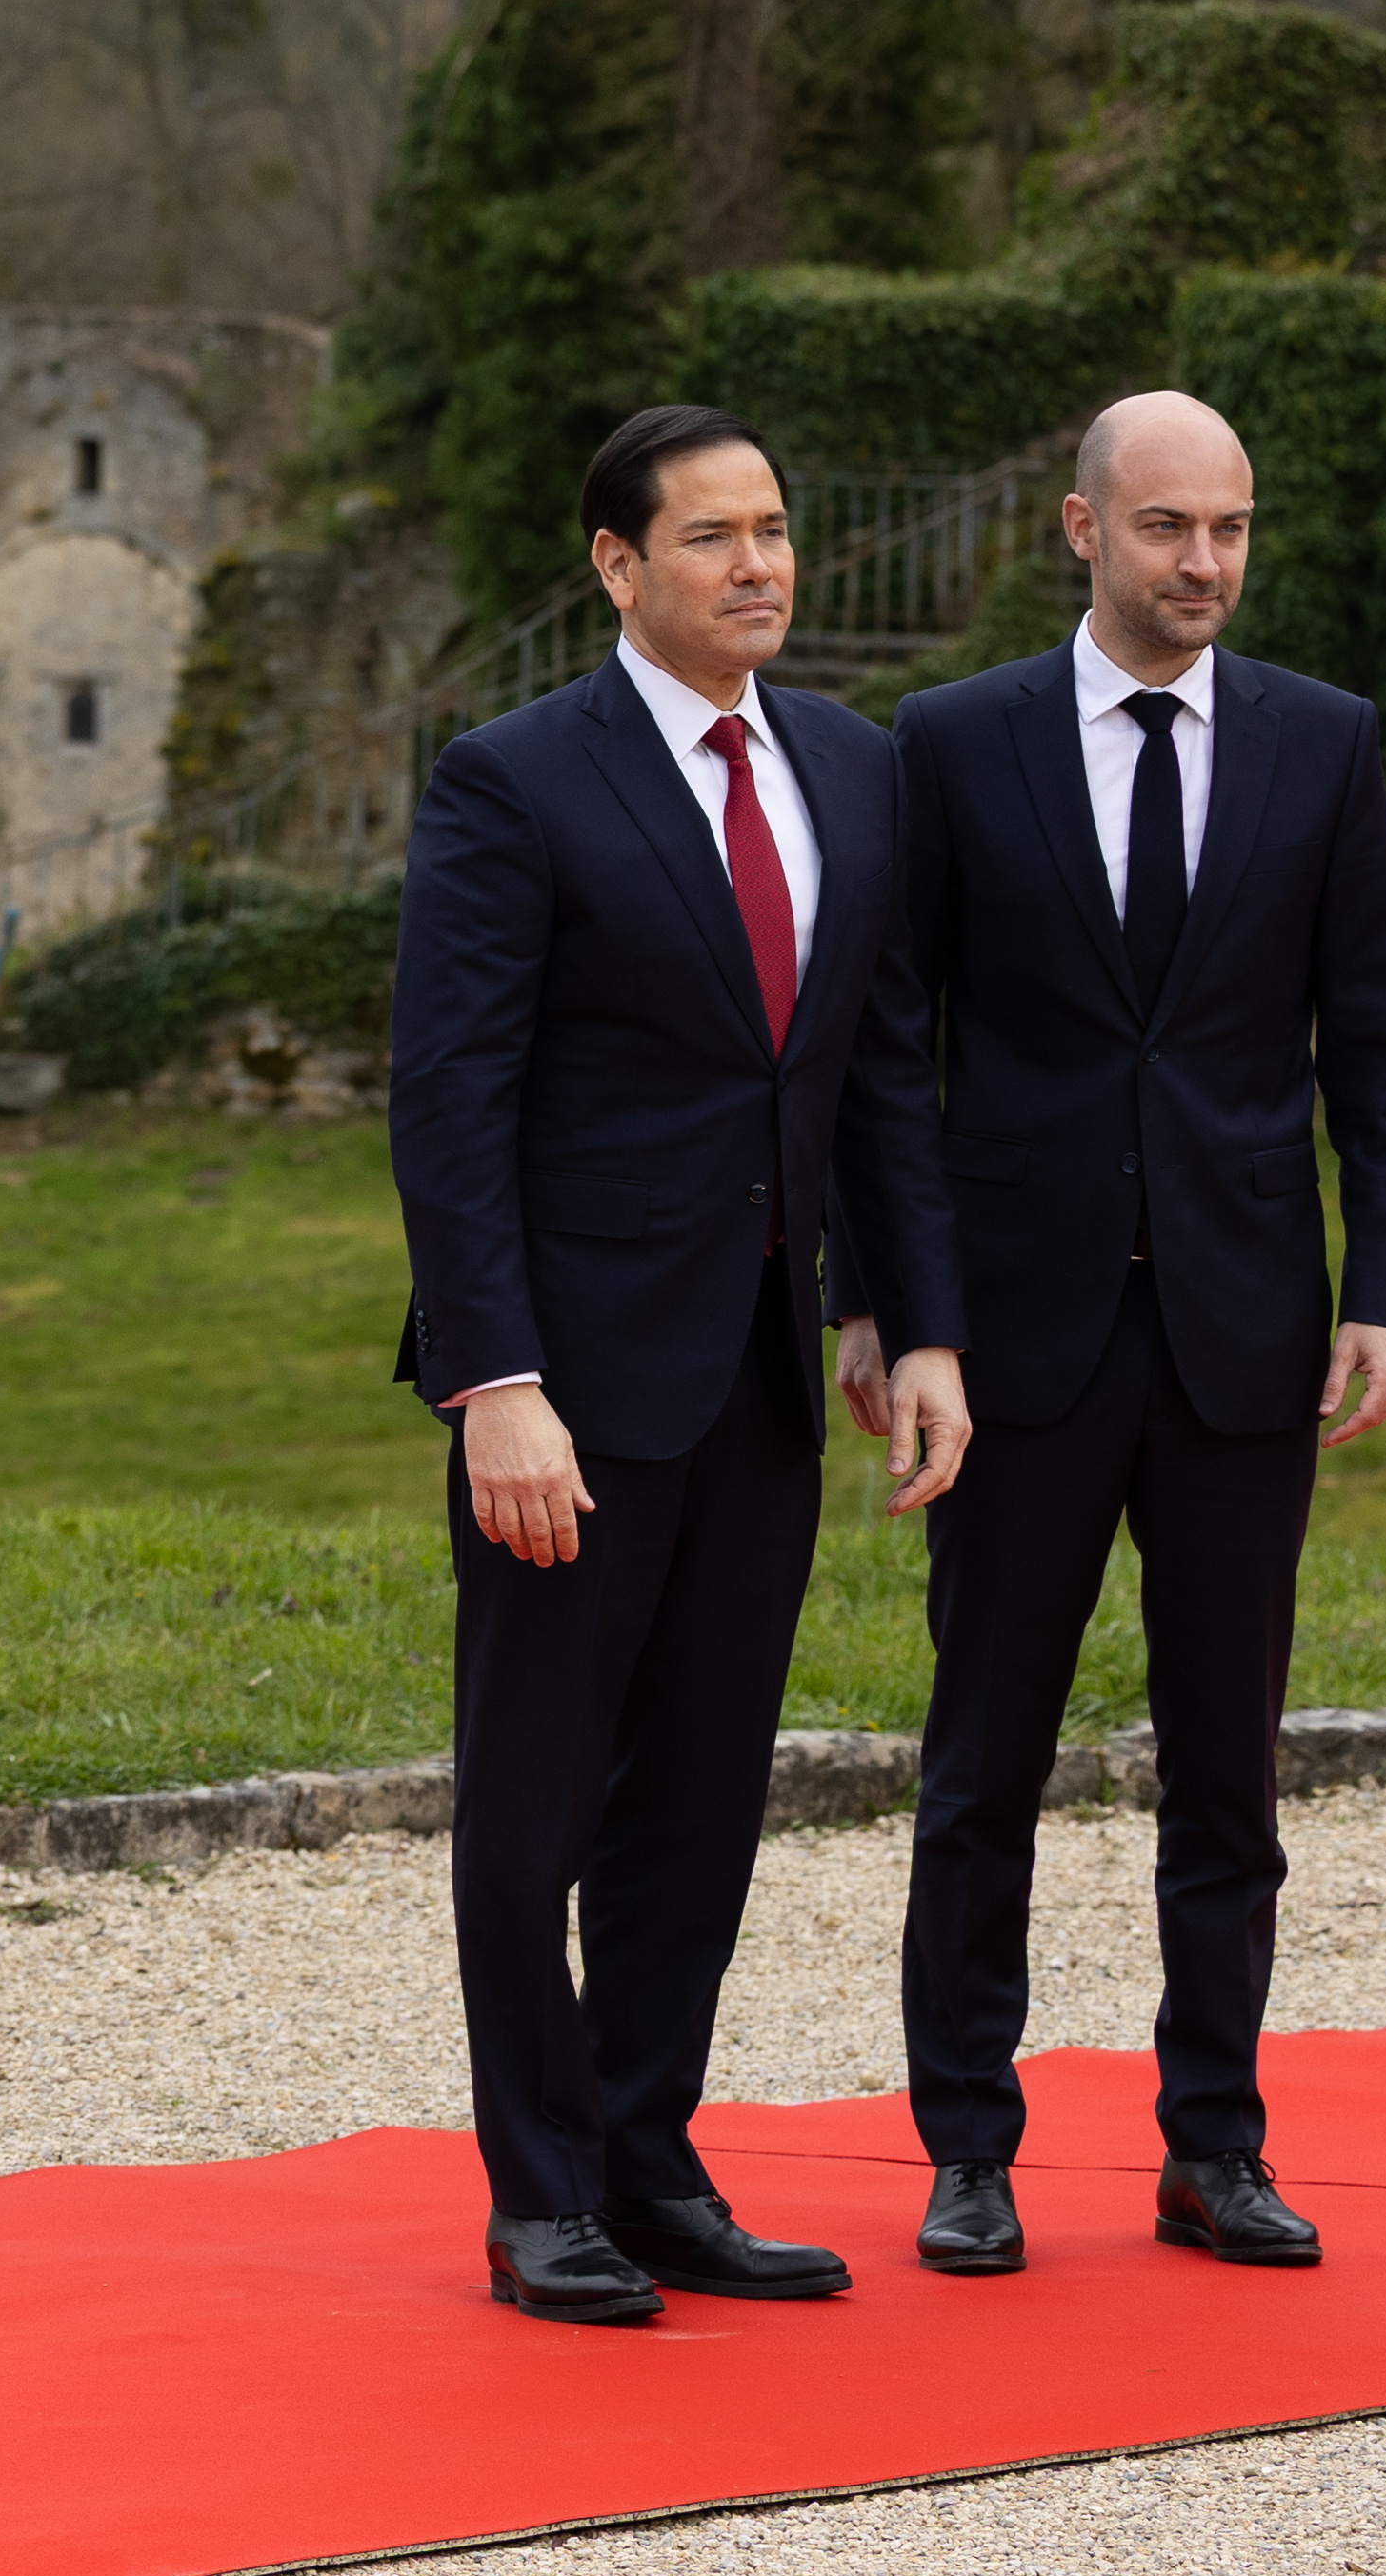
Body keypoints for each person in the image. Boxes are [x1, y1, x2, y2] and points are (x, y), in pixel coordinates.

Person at [385, 403, 971, 2326]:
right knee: (536, 1802)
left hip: (765, 1379)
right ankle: (538, 2193)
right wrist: (494, 1380)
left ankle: (648, 2164)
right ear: (619, 565)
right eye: (712, 535)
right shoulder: (514, 778)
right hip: (567, 1388)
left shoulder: (855, 769)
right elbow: (449, 1102)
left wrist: (910, 1316)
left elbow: (873, 1074)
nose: (759, 564)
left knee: (702, 1798)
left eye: (774, 529)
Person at [839, 389, 1386, 2278]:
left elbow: (1378, 1053)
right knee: (982, 1766)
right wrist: (884, 1301)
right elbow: (886, 1047)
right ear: (1082, 529)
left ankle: (1215, 2146)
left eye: (1230, 528)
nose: (1204, 561)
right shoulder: (954, 742)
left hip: (1245, 1332)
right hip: (1012, 1341)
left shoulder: (1324, 742)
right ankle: (967, 2150)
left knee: (1229, 1773)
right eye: (1168, 525)